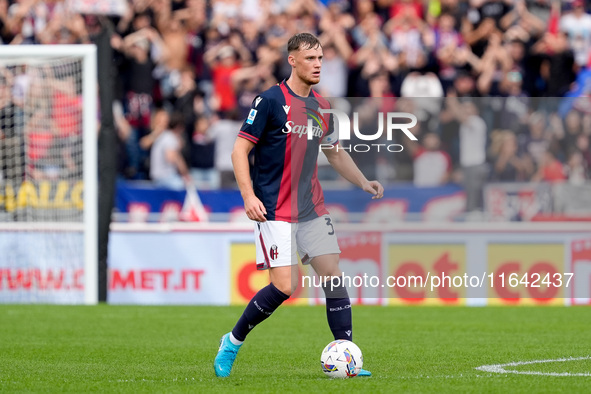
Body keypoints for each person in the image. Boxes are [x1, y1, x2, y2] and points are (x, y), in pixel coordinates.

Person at [214, 33, 384, 378]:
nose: (318, 64)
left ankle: (347, 357)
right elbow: (239, 151)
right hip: (274, 208)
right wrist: (248, 195)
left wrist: (363, 181)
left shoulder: (323, 107)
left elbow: (334, 152)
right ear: (292, 60)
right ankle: (232, 341)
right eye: (310, 58)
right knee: (284, 287)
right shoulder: (270, 101)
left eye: (320, 58)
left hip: (311, 207)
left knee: (334, 278)